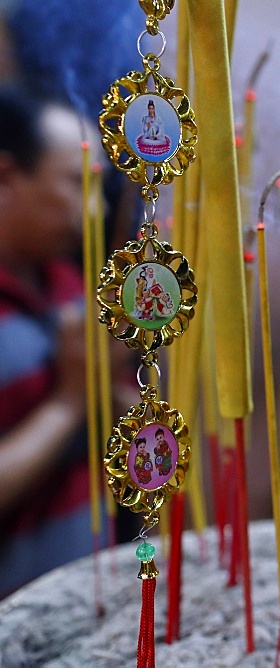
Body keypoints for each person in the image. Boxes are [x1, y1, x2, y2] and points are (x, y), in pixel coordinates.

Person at [0, 87, 101, 599]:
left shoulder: (68, 282)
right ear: (6, 178)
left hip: (93, 594)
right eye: (76, 184)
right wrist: (70, 400)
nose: (94, 211)